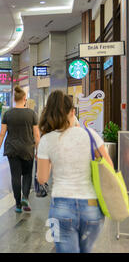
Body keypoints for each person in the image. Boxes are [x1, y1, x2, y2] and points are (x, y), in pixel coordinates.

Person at [37, 90, 112, 253]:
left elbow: (42, 178)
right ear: (72, 112)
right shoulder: (90, 134)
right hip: (92, 208)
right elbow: (109, 167)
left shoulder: (46, 140)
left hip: (61, 207)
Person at [0, 86, 40, 213]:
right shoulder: (32, 114)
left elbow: (2, 134)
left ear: (14, 99)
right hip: (27, 148)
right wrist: (38, 151)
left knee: (15, 176)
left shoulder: (8, 114)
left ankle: (18, 204)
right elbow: (36, 135)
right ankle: (25, 197)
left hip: (12, 149)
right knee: (27, 174)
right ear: (25, 99)